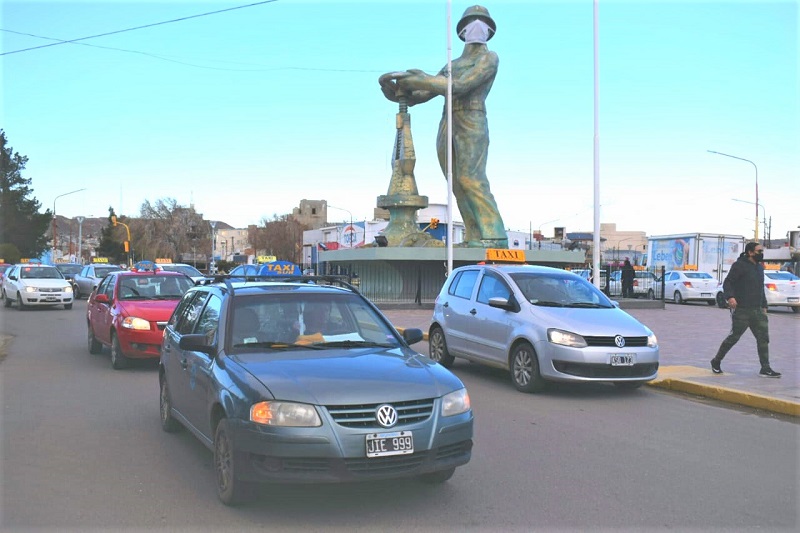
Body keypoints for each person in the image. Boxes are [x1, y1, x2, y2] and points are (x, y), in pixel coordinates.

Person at [379, 5, 507, 248]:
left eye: (481, 22)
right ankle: (473, 235)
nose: (476, 26)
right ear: (461, 30)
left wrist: (424, 79)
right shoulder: (453, 64)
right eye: (471, 22)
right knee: (457, 182)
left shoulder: (489, 58)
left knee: (471, 178)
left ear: (490, 30)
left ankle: (495, 236)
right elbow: (421, 94)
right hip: (448, 122)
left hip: (472, 119)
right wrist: (399, 92)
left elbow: (459, 85)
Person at [711, 242, 781, 377]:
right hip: (742, 310)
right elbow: (728, 282)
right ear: (750, 252)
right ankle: (716, 361)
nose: (761, 254)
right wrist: (730, 297)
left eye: (762, 251)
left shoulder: (759, 268)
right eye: (758, 251)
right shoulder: (739, 265)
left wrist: (764, 305)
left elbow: (760, 288)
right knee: (733, 338)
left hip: (758, 310)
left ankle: (765, 368)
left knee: (763, 339)